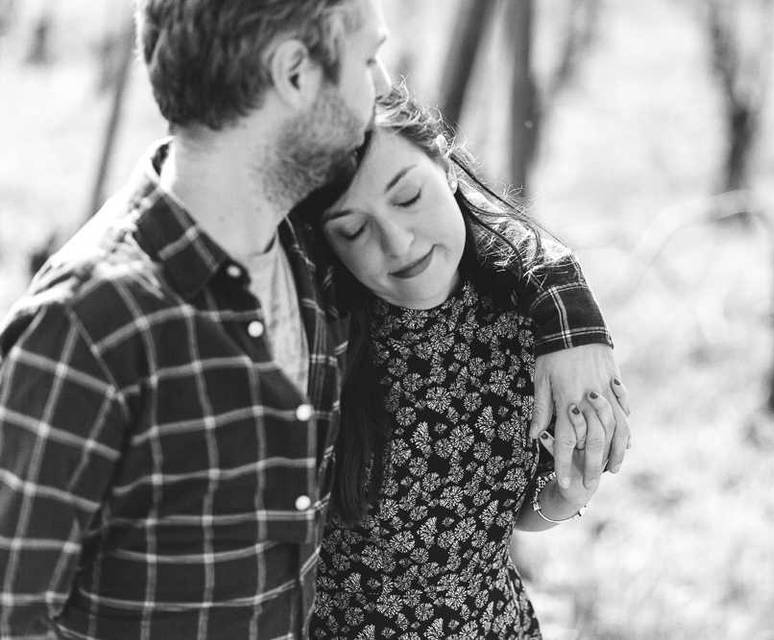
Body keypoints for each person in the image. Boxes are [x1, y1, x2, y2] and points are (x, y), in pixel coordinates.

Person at [0, 1, 628, 638]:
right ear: (296, 73)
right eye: (367, 58)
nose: (384, 86)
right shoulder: (87, 326)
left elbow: (479, 238)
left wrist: (570, 316)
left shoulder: (307, 268)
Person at [307, 88, 624, 639]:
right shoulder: (323, 340)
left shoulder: (526, 316)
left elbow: (504, 522)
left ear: (445, 166)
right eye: (355, 229)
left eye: (407, 197)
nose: (398, 241)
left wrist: (566, 495)